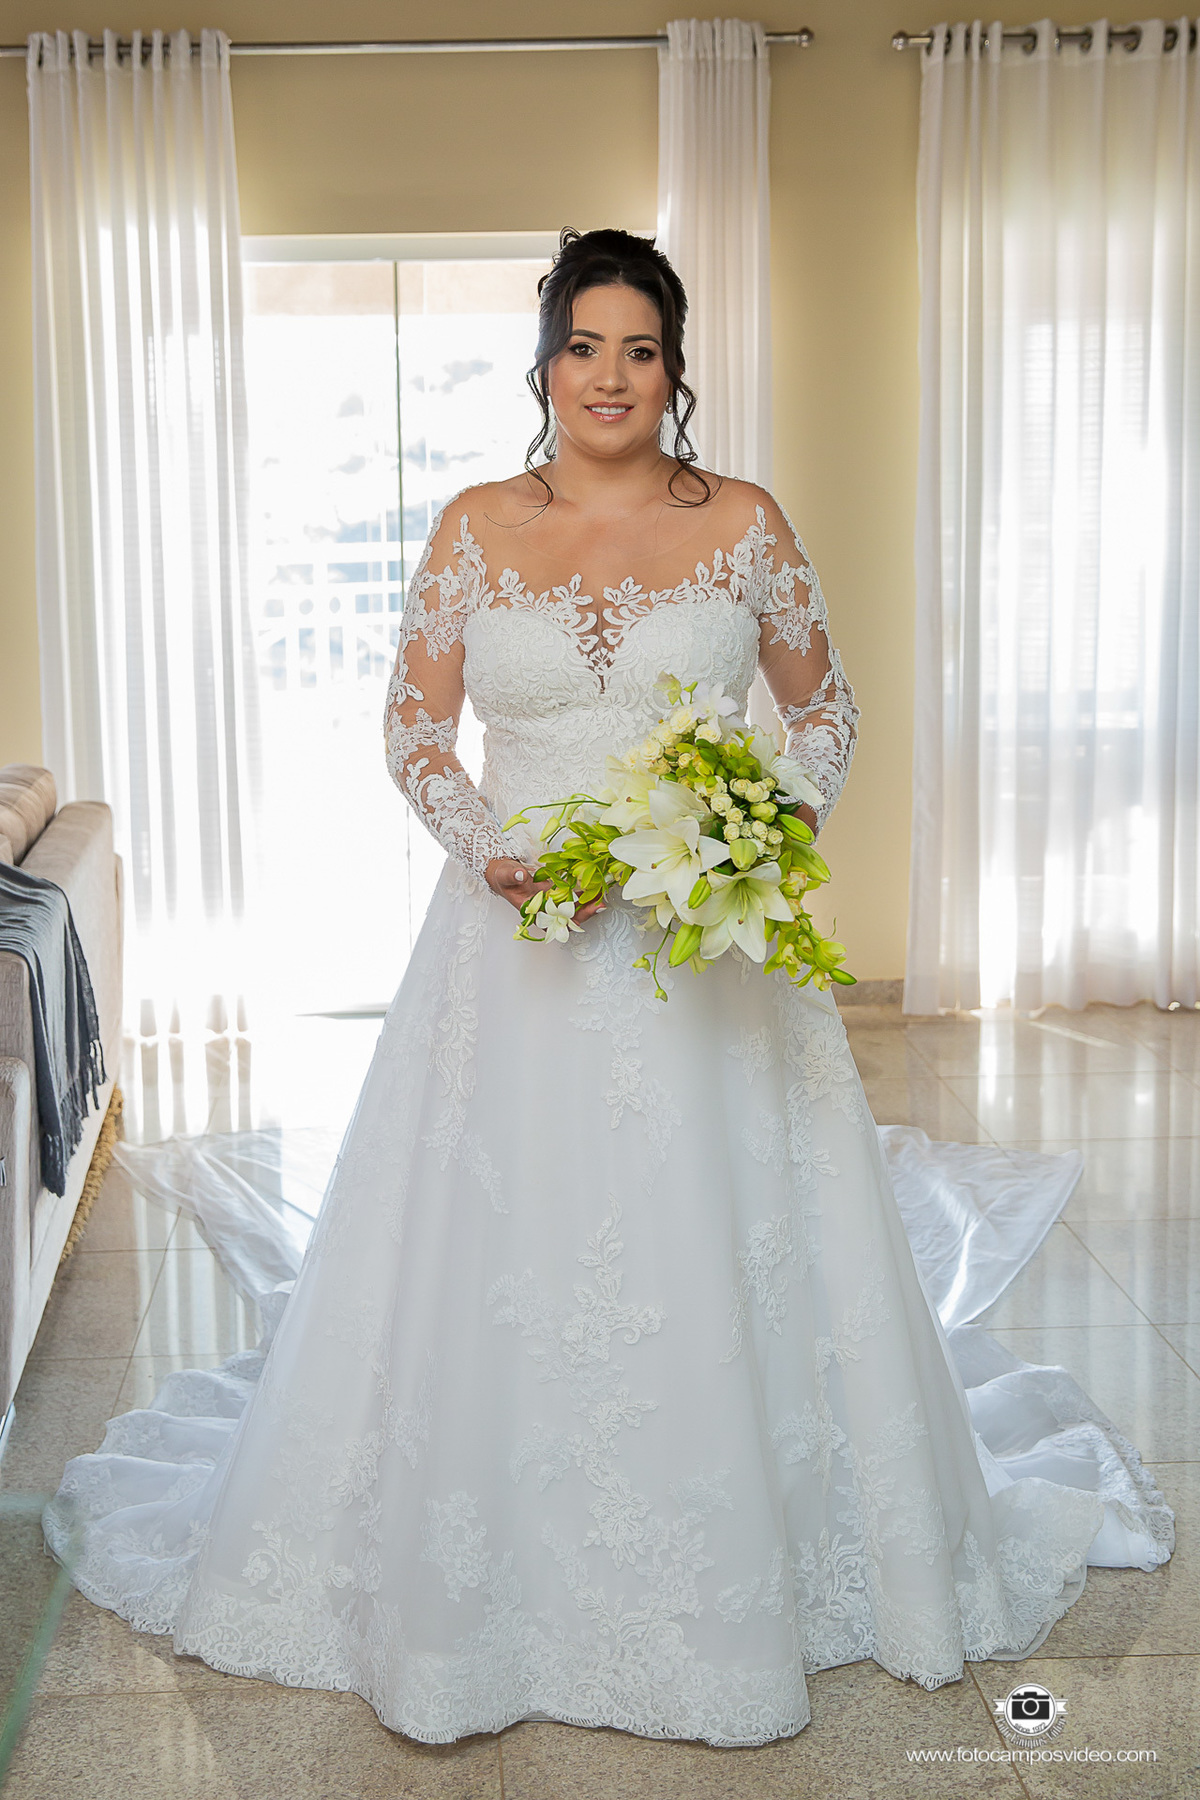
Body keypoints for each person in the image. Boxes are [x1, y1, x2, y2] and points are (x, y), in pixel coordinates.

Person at [45, 227, 1170, 1747]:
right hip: (508, 954)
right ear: (545, 365)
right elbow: (413, 731)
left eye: (640, 350)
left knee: (716, 1235)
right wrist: (488, 849)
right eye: (585, 347)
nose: (611, 377)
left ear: (675, 369)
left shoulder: (746, 523)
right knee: (505, 1245)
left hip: (701, 960)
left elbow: (824, 713)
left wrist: (750, 828)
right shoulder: (474, 527)